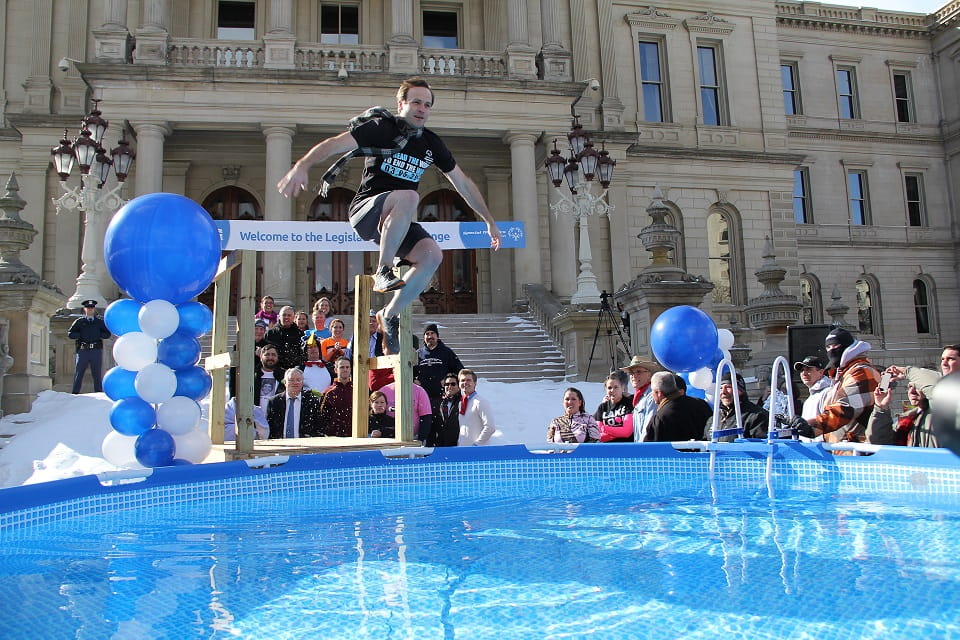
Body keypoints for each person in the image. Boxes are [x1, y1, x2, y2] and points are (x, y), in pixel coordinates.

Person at [277, 76, 502, 353]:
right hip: (366, 211)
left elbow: (463, 183)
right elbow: (334, 144)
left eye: (427, 105)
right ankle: (383, 269)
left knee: (433, 255)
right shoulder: (382, 128)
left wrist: (489, 220)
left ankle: (389, 314)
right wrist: (302, 165)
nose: (422, 109)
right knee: (409, 196)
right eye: (416, 102)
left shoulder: (431, 143)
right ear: (401, 104)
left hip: (397, 219)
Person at [792, 327, 881, 444]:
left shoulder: (861, 372)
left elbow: (845, 408)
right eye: (828, 347)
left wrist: (813, 426)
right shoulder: (841, 375)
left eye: (835, 346)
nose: (831, 350)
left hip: (858, 448)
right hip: (841, 447)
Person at [867, 368, 940, 447]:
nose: (911, 391)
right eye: (909, 387)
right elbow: (878, 442)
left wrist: (906, 370)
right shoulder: (905, 420)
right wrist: (881, 408)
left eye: (917, 387)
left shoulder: (941, 414)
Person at [644, 371, 713, 442]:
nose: (651, 394)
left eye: (652, 391)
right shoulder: (701, 404)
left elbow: (651, 446)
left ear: (659, 393)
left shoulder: (661, 417)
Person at [416, 322, 464, 415]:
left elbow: (459, 371)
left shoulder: (447, 352)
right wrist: (414, 380)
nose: (430, 336)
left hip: (442, 397)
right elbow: (410, 372)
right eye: (427, 334)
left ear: (437, 336)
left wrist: (448, 380)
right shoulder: (418, 354)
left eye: (432, 333)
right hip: (423, 398)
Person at [706, 371, 769, 441]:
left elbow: (760, 445)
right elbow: (705, 443)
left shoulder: (757, 416)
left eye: (728, 387)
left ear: (740, 390)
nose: (723, 392)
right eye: (720, 388)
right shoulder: (714, 419)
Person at [68, 299, 112, 394]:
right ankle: (75, 393)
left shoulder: (99, 322)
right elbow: (70, 334)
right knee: (79, 372)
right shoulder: (80, 321)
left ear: (94, 309)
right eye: (88, 308)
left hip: (95, 350)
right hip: (83, 350)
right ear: (85, 309)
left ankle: (98, 392)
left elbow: (107, 334)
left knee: (97, 373)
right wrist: (79, 334)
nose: (90, 310)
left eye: (91, 308)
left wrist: (99, 334)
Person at [266, 369, 323, 439]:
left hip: (304, 443)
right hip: (280, 443)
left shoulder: (311, 401)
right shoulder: (274, 402)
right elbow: (268, 427)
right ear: (285, 382)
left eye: (298, 380)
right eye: (291, 380)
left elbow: (317, 426)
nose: (295, 382)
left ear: (302, 383)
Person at [621, 356, 662, 442]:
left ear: (649, 375)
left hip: (646, 447)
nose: (634, 376)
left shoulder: (652, 396)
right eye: (631, 373)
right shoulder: (639, 396)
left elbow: (649, 428)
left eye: (638, 372)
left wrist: (641, 447)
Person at [380, 377, 433, 442]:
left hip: (413, 439)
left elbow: (426, 417)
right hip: (387, 438)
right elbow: (376, 414)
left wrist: (421, 439)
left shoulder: (419, 391)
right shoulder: (384, 390)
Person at [456, 368, 496, 446]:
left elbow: (490, 427)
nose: (465, 383)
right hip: (463, 449)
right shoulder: (461, 403)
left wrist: (477, 445)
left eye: (468, 380)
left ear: (475, 383)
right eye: (462, 380)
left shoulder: (480, 402)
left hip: (478, 450)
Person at [318, 357, 354, 437]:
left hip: (354, 435)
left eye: (347, 367)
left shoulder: (357, 390)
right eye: (342, 367)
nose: (345, 370)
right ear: (335, 370)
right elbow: (322, 416)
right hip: (333, 436)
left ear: (350, 369)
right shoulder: (328, 392)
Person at [594, 372, 634, 442]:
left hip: (626, 446)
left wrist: (604, 428)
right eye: (609, 388)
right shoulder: (602, 407)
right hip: (606, 447)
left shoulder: (629, 403)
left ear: (622, 388)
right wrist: (618, 433)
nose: (612, 390)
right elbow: (597, 435)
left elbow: (626, 432)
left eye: (616, 387)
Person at [265, 305, 305, 371]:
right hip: (275, 369)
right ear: (279, 317)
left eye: (289, 315)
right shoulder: (270, 334)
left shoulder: (300, 334)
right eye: (284, 315)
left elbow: (302, 354)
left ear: (293, 318)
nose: (286, 317)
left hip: (294, 370)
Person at [794, 355, 831, 421]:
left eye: (808, 369)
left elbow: (831, 421)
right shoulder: (810, 399)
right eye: (802, 370)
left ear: (821, 372)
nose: (804, 373)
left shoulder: (828, 392)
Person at [428, 373, 461, 447]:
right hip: (440, 446)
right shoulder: (437, 403)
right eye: (447, 384)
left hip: (458, 445)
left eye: (453, 384)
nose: (449, 386)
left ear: (458, 386)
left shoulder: (463, 402)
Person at [253, 344, 285, 415]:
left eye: (273, 355)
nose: (270, 357)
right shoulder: (252, 375)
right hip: (254, 418)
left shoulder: (285, 375)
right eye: (267, 354)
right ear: (261, 357)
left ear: (277, 357)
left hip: (276, 418)